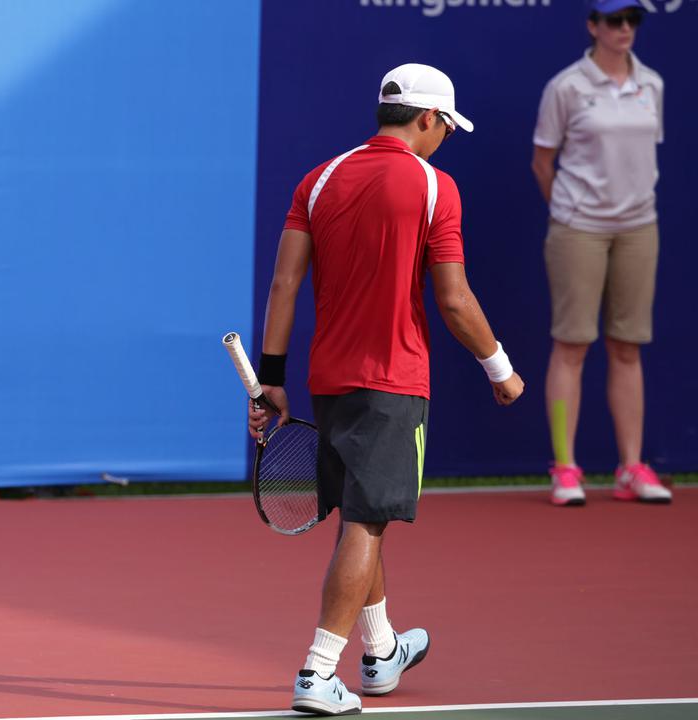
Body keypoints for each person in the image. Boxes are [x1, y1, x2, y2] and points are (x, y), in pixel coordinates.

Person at [247, 64, 525, 715]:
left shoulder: (317, 180)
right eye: (446, 127)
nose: (445, 138)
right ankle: (318, 673)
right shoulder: (435, 186)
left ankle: (381, 652)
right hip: (394, 381)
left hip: (326, 379)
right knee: (368, 523)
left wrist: (272, 380)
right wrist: (499, 367)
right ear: (428, 119)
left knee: (359, 519)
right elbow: (454, 301)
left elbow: (285, 285)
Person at [532, 0, 670, 507]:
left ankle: (631, 467)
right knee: (572, 345)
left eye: (633, 20)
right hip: (578, 229)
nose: (625, 29)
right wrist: (572, 213)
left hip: (639, 227)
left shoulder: (651, 83)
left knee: (628, 346)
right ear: (594, 27)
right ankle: (565, 468)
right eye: (615, 20)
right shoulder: (567, 87)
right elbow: (542, 161)